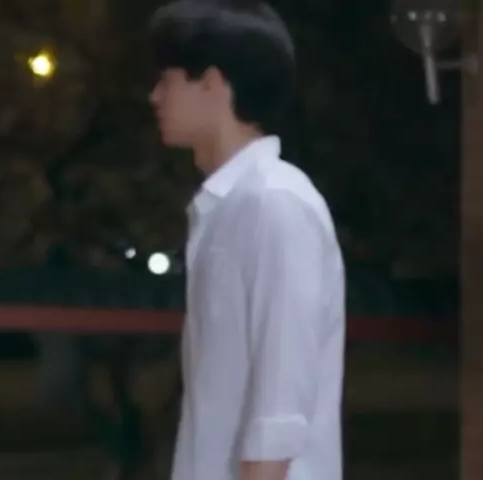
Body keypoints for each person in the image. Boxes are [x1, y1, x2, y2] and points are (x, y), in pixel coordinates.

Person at [147, 1, 345, 480]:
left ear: (212, 83)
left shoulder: (274, 204)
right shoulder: (231, 206)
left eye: (167, 80)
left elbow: (279, 403)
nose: (154, 96)